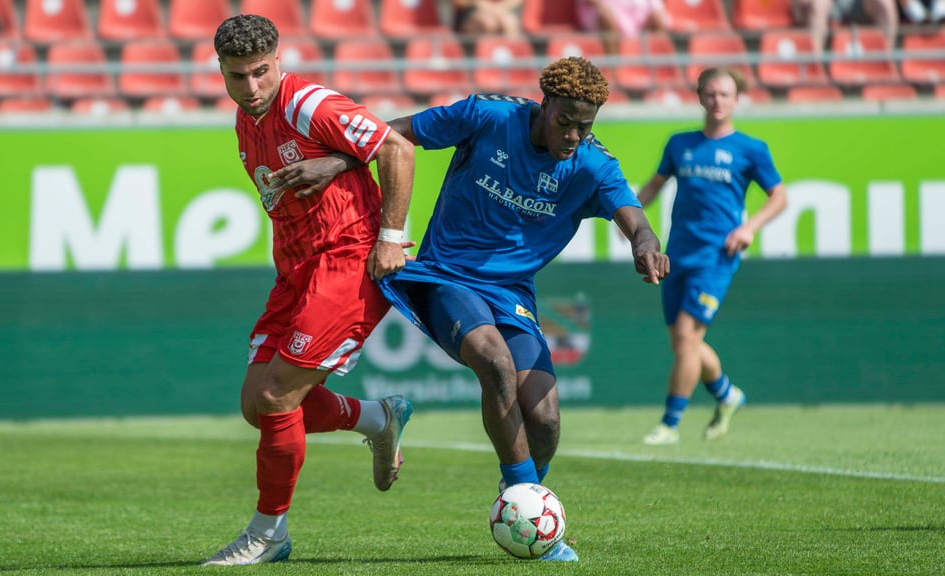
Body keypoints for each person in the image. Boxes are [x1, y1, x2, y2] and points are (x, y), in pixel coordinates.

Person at [293, 56, 668, 561]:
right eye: (566, 121)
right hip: (446, 277)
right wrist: (337, 160)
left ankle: (524, 506)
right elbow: (392, 135)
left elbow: (635, 219)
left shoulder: (592, 165)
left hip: (512, 294)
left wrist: (643, 243)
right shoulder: (487, 117)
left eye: (586, 125)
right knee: (493, 361)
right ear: (545, 104)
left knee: (547, 419)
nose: (574, 134)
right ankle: (528, 505)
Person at [201, 14, 417, 566]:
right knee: (257, 403)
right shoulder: (245, 121)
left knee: (277, 396)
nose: (251, 87)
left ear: (279, 61)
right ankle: (378, 418)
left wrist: (391, 238)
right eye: (237, 76)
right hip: (295, 271)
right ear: (220, 72)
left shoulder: (308, 103)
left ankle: (269, 532)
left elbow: (396, 149)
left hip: (348, 258)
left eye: (260, 73)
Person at [637, 67, 788, 446]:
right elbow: (654, 186)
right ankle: (726, 394)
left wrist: (749, 227)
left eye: (725, 94)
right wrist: (627, 217)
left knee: (687, 339)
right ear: (700, 97)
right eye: (711, 93)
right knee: (683, 344)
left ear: (737, 99)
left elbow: (779, 197)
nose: (717, 101)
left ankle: (670, 424)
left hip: (716, 256)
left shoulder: (751, 149)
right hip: (677, 255)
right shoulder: (679, 144)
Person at [793, 0, 898, 54]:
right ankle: (813, 67)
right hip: (826, 4)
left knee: (885, 3)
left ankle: (886, 62)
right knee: (819, 4)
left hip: (861, 3)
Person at [575, 0, 671, 53]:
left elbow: (658, 10)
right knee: (607, 16)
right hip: (599, 18)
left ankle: (661, 74)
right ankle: (613, 71)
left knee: (659, 21)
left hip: (636, 22)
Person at [451, 0, 525, 38]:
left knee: (510, 22)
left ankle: (513, 63)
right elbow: (460, 2)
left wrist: (499, 8)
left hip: (501, 11)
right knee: (488, 23)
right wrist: (484, 5)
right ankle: (487, 64)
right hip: (470, 13)